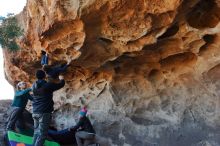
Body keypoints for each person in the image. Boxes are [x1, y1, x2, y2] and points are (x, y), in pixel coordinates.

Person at [32, 70, 65, 146]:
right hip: (44, 112)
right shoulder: (48, 85)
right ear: (44, 76)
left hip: (35, 112)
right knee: (42, 134)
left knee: (36, 132)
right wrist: (62, 78)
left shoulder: (34, 86)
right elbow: (60, 85)